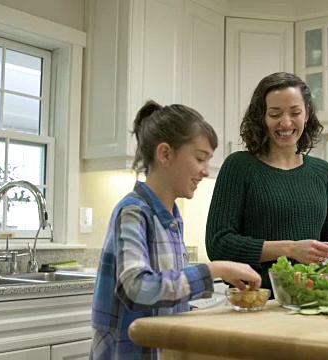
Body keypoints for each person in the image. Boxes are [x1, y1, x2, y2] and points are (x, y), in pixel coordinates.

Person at [90, 101, 262, 360]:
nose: (205, 170)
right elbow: (135, 288)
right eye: (200, 158)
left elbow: (165, 298)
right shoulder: (134, 211)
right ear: (166, 154)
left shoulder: (171, 217)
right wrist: (215, 269)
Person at [205, 72, 328, 290]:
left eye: (295, 112)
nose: (285, 122)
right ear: (262, 117)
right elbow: (219, 244)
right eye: (274, 114)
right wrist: (290, 249)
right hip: (255, 300)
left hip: (314, 296)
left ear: (307, 114)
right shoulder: (239, 166)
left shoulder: (322, 172)